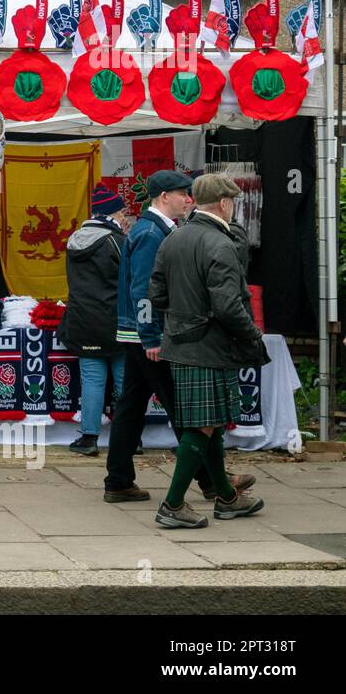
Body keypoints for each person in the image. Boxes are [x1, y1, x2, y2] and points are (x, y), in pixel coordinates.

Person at [104, 171, 252, 503]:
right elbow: (143, 291)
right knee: (188, 410)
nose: (188, 199)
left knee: (131, 405)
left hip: (138, 334)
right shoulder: (151, 233)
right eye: (181, 193)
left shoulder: (156, 230)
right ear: (162, 197)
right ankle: (213, 481)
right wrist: (151, 336)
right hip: (151, 337)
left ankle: (118, 480)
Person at [150, 173, 265, 528]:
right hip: (210, 345)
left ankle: (227, 499)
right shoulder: (221, 244)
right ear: (226, 203)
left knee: (209, 424)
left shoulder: (174, 238)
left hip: (181, 342)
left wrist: (184, 315)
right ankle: (172, 504)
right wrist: (251, 337)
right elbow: (230, 306)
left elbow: (157, 294)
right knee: (201, 427)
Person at [60, 185, 128, 456]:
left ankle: (88, 438)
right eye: (123, 211)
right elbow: (130, 280)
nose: (126, 217)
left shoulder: (74, 239)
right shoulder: (117, 241)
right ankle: (130, 439)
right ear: (112, 213)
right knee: (125, 381)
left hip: (81, 321)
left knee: (92, 380)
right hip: (115, 322)